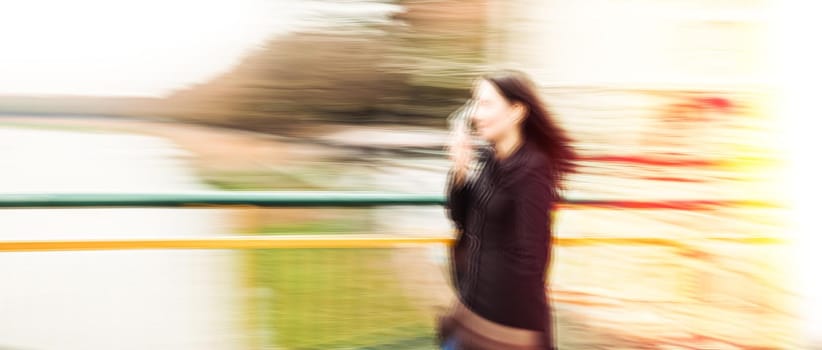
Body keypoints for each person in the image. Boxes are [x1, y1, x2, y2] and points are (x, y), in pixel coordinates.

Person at [437, 70, 575, 350]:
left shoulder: (533, 170)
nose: (476, 114)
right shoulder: (490, 160)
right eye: (475, 103)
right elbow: (461, 218)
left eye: (486, 104)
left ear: (516, 112)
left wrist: (495, 330)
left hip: (506, 328)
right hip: (471, 310)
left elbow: (533, 258)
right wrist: (460, 170)